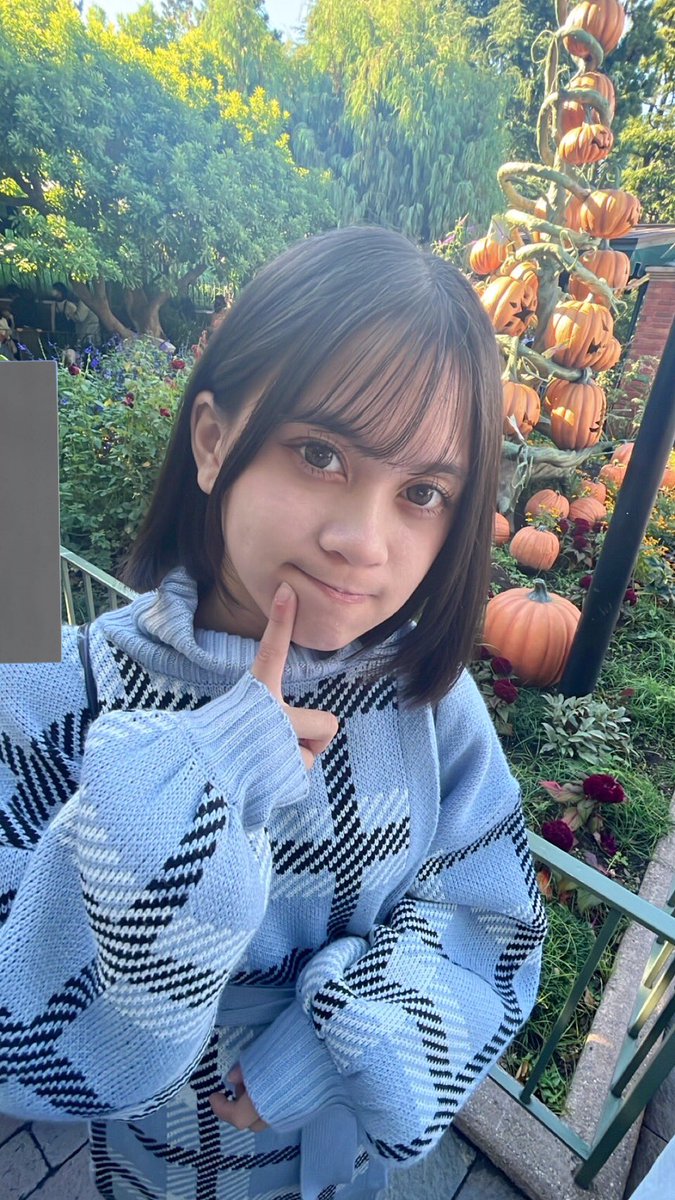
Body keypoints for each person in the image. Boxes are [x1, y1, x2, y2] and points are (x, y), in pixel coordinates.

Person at [0, 225, 547, 1200]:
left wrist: (330, 1047)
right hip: (157, 1163)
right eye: (320, 454)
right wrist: (199, 787)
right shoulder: (58, 691)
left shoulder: (432, 707)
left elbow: (487, 920)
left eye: (422, 492)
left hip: (339, 1162)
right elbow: (17, 1015)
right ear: (214, 440)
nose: (362, 540)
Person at [51, 280, 101, 352]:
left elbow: (80, 318)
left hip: (88, 334)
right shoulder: (87, 300)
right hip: (88, 334)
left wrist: (70, 314)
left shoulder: (84, 302)